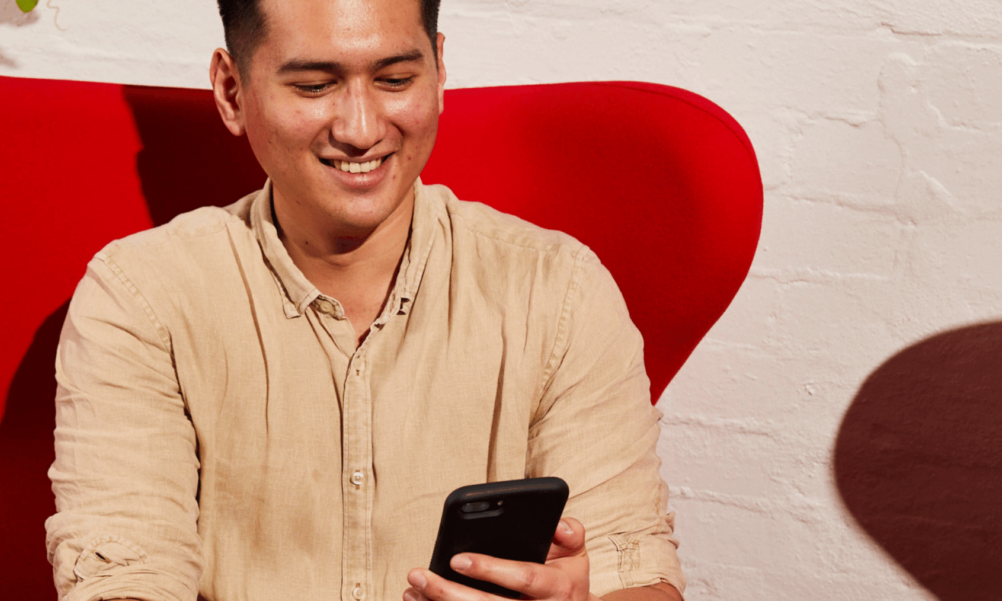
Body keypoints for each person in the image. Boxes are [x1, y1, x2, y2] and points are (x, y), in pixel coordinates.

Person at [45, 0, 686, 600]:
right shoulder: (141, 298)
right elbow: (126, 573)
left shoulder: (557, 291)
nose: (360, 129)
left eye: (395, 79)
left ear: (438, 71)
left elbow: (634, 566)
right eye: (314, 85)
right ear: (231, 91)